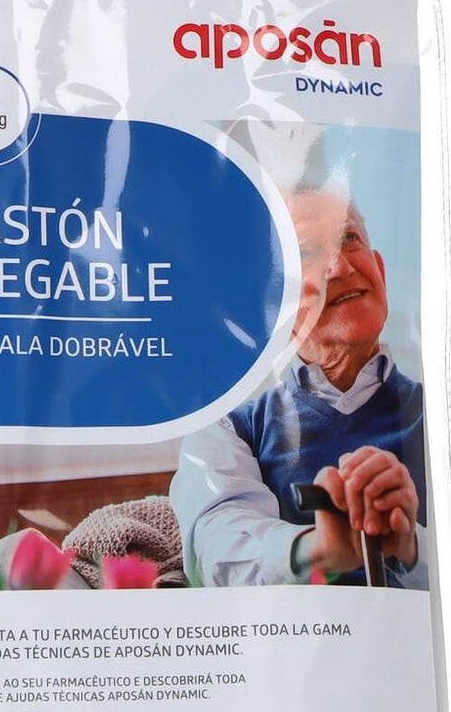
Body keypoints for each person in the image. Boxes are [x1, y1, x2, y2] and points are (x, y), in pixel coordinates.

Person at [171, 184, 427, 589]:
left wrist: (411, 546)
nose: (340, 267)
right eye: (306, 253)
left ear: (379, 269)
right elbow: (217, 545)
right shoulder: (226, 425)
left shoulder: (442, 415)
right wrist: (314, 550)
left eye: (349, 238)